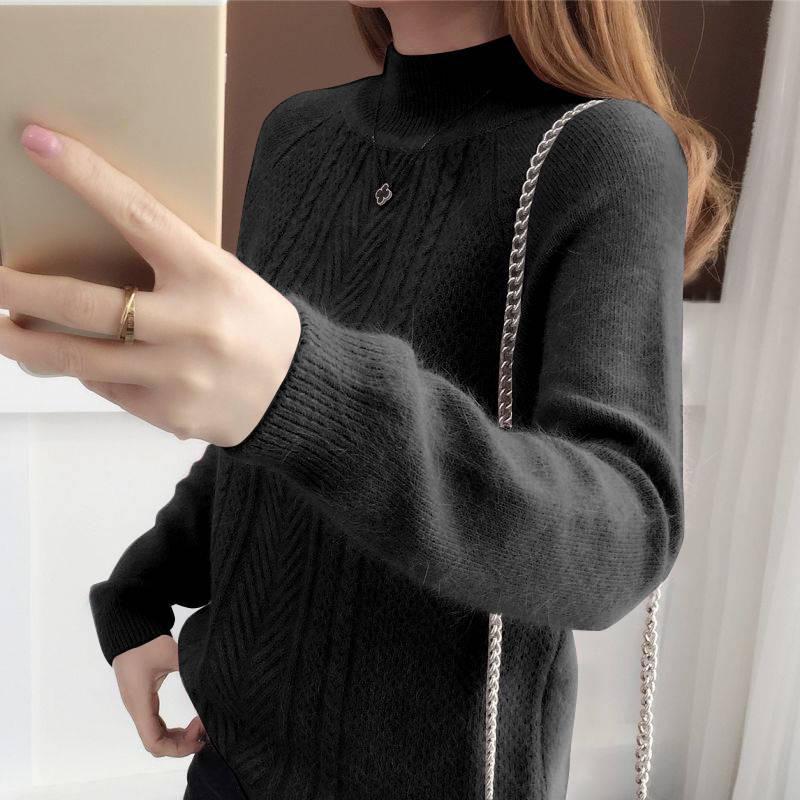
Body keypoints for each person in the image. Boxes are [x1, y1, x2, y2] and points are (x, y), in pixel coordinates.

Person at [0, 1, 733, 798]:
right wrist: (139, 592)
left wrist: (301, 383)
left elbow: (624, 533)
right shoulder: (297, 138)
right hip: (230, 769)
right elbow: (270, 436)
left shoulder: (603, 150)